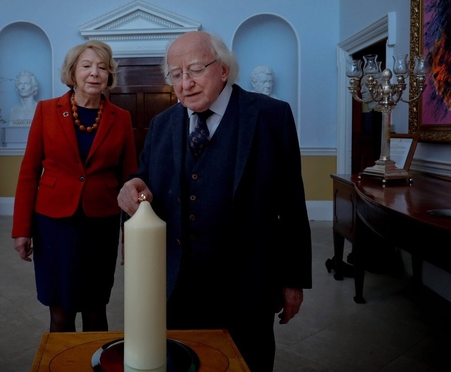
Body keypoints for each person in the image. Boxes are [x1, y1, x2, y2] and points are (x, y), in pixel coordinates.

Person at [117, 31, 311, 372]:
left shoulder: (270, 116)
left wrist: (293, 280)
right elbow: (145, 180)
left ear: (223, 69)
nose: (185, 83)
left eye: (195, 70)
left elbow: (292, 204)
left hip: (247, 285)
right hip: (177, 286)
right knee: (183, 363)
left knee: (248, 364)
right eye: (176, 75)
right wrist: (133, 185)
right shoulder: (162, 124)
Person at [13, 40, 137, 332]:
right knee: (60, 313)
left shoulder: (121, 119)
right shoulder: (46, 111)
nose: (95, 73)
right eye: (87, 66)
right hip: (54, 226)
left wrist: (130, 236)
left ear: (109, 75)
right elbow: (29, 172)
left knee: (96, 311)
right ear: (73, 72)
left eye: (102, 67)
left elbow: (131, 179)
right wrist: (22, 229)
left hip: (101, 225)